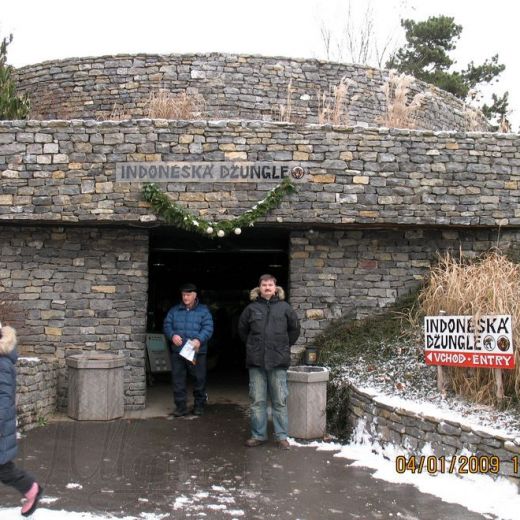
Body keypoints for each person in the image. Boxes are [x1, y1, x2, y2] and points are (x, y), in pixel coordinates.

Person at [238, 274, 300, 449]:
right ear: (259, 288)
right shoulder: (251, 309)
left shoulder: (285, 308)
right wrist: (253, 345)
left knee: (280, 400)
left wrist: (283, 345)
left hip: (278, 361)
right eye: (264, 284)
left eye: (270, 285)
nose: (267, 287)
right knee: (258, 401)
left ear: (275, 288)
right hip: (256, 362)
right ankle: (258, 435)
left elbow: (294, 329)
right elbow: (242, 330)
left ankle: (281, 436)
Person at [0, 322, 43, 517]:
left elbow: (3, 399)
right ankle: (31, 488)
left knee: (4, 469)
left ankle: (32, 488)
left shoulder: (2, 363)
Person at [163, 283, 214, 417]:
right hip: (179, 351)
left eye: (188, 294)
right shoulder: (174, 310)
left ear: (195, 295)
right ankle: (180, 407)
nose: (185, 297)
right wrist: (172, 335)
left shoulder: (204, 311)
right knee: (178, 380)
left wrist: (199, 339)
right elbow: (167, 325)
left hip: (197, 352)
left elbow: (208, 328)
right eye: (183, 294)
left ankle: (199, 405)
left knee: (199, 379)